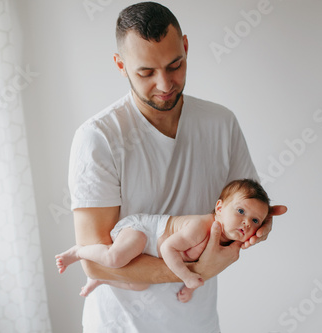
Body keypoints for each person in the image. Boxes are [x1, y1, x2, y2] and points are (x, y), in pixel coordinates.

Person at [68, 2, 287, 332]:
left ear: (185, 47)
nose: (165, 83)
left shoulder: (221, 124)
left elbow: (244, 208)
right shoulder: (98, 138)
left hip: (198, 321)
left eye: (175, 65)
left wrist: (260, 224)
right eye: (146, 72)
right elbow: (94, 265)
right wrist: (196, 269)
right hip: (121, 325)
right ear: (120, 65)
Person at [57, 179, 272, 303]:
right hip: (143, 231)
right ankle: (78, 252)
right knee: (115, 258)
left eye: (255, 220)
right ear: (219, 208)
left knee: (139, 285)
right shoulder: (201, 226)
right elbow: (170, 248)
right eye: (241, 211)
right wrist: (188, 277)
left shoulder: (224, 246)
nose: (246, 223)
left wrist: (190, 286)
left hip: (149, 251)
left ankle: (102, 279)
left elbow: (201, 266)